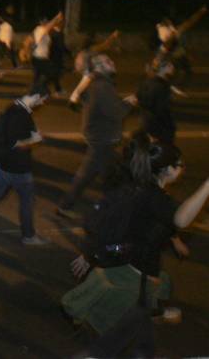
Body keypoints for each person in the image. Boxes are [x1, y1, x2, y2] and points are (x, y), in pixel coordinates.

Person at [62, 138, 209, 357]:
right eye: (180, 165)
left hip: (131, 268)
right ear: (167, 170)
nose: (182, 169)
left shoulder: (140, 188)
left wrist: (174, 240)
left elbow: (150, 222)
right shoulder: (155, 197)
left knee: (141, 337)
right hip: (135, 277)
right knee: (117, 338)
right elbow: (180, 219)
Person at [57, 54, 133, 219]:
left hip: (100, 136)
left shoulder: (98, 83)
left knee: (111, 174)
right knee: (86, 174)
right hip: (102, 139)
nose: (112, 62)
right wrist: (130, 102)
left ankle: (113, 204)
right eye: (108, 61)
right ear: (99, 67)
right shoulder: (102, 87)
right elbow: (117, 112)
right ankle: (65, 206)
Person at [0, 88, 50, 246]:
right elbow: (15, 144)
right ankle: (28, 235)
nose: (42, 103)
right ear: (36, 96)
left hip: (4, 164)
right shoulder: (21, 115)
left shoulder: (14, 107)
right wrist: (35, 140)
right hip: (18, 168)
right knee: (27, 201)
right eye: (42, 99)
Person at [135, 58, 176, 144]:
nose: (172, 67)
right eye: (169, 65)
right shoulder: (161, 88)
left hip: (146, 122)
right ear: (163, 69)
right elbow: (162, 111)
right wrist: (170, 128)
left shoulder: (146, 82)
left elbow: (139, 97)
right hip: (159, 127)